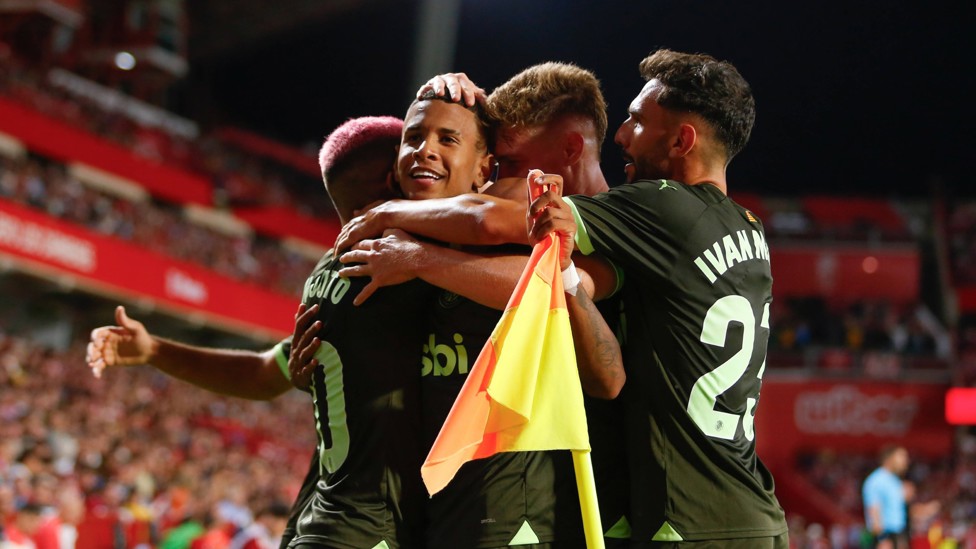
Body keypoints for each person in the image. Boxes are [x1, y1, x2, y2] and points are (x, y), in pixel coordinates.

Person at [86, 116, 429, 548]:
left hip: (329, 520)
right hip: (377, 528)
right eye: (417, 152)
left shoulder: (331, 273)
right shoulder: (398, 263)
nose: (430, 159)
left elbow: (265, 372)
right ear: (393, 176)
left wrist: (154, 349)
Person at [529, 49, 788, 547]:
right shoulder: (748, 229)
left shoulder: (663, 207)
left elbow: (513, 222)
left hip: (692, 521)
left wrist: (397, 227)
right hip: (755, 512)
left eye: (636, 120)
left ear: (681, 140)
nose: (621, 136)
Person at [862, 446, 909, 549]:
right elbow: (874, 512)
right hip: (885, 536)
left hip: (897, 535)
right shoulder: (876, 481)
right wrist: (882, 538)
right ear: (889, 459)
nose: (906, 460)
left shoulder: (895, 480)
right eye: (901, 456)